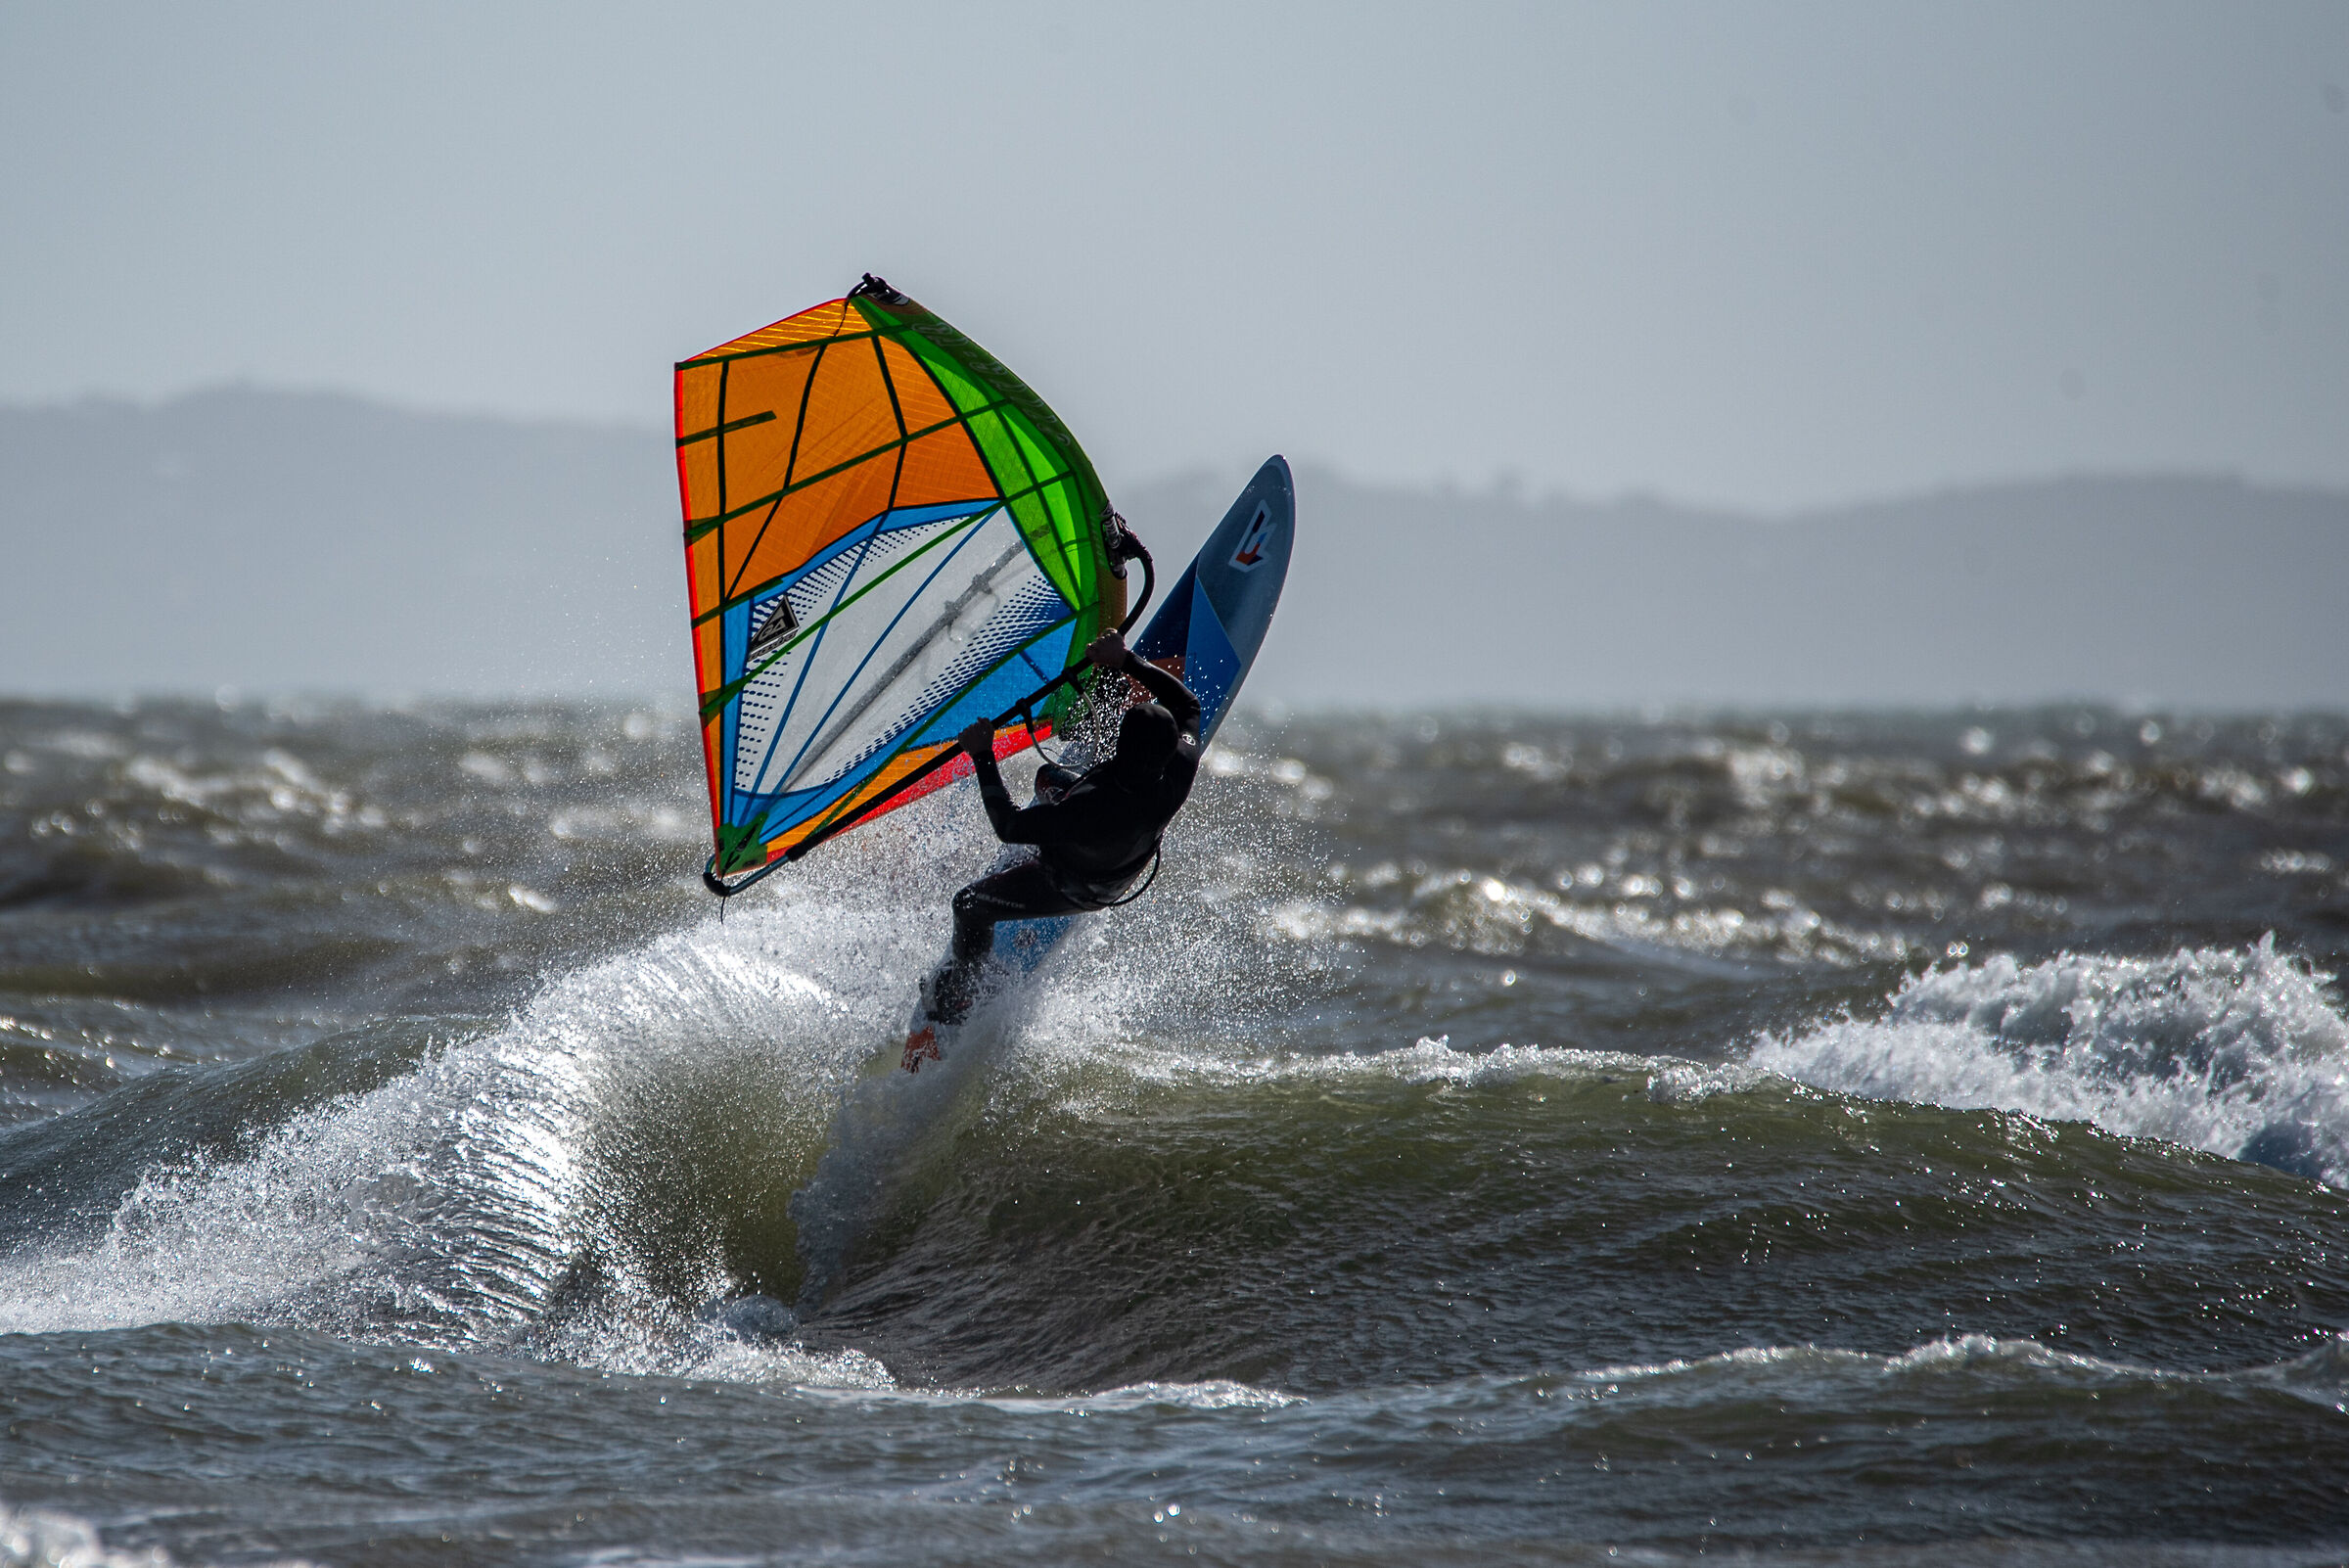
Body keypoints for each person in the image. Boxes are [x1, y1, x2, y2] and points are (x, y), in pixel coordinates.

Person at [903, 630, 1201, 1069]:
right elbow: (1190, 707)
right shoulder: (1179, 768)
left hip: (1071, 884)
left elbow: (1009, 827)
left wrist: (983, 756)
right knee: (1048, 779)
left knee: (968, 905)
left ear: (1121, 748)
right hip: (1124, 864)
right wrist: (1128, 661)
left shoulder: (1090, 810)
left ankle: (961, 994)